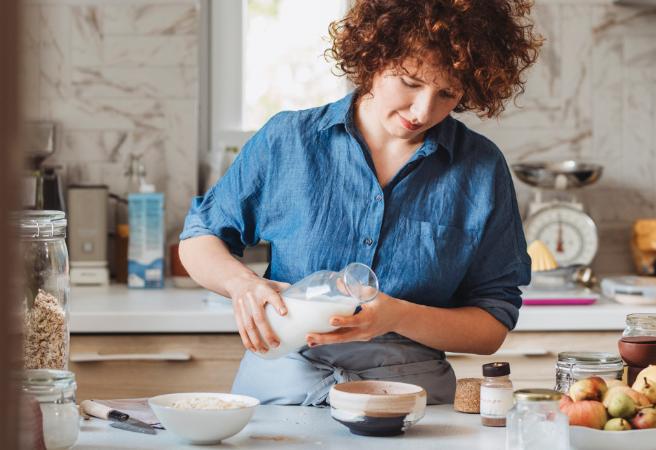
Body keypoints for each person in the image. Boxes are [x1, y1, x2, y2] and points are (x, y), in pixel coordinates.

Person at [179, 0, 542, 406]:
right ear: (374, 56)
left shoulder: (479, 167)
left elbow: (491, 324)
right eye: (409, 81)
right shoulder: (289, 140)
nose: (423, 110)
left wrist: (397, 315)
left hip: (409, 396)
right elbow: (200, 237)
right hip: (283, 384)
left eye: (447, 93)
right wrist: (242, 284)